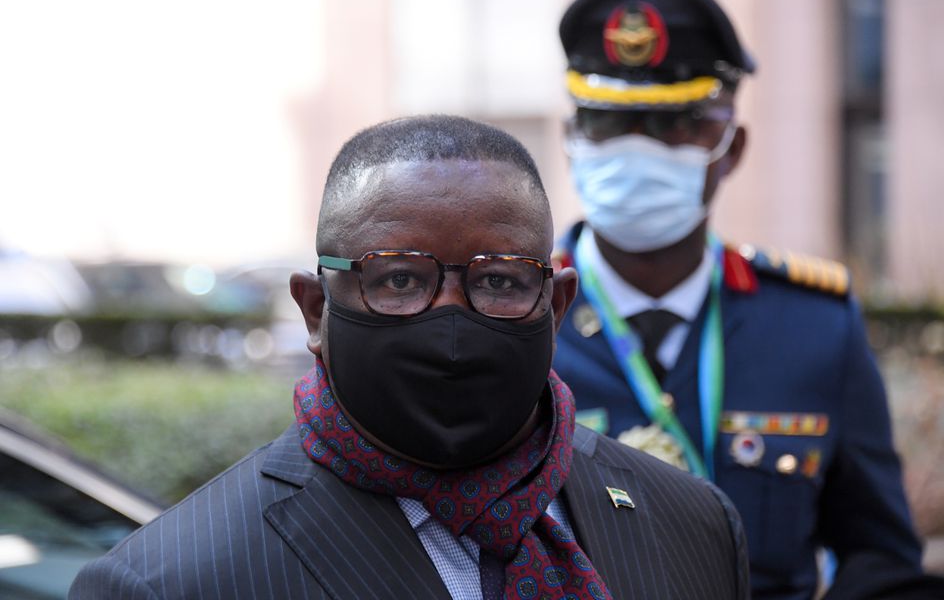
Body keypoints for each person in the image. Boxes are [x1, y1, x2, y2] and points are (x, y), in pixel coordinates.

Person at [69, 115, 750, 599]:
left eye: (499, 279)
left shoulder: (693, 524)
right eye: (397, 279)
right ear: (315, 308)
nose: (449, 322)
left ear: (557, 303)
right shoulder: (167, 584)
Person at [550, 0, 944, 600]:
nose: (637, 149)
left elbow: (879, 561)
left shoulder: (812, 323)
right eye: (609, 122)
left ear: (731, 147)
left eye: (673, 124)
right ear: (571, 142)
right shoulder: (518, 319)